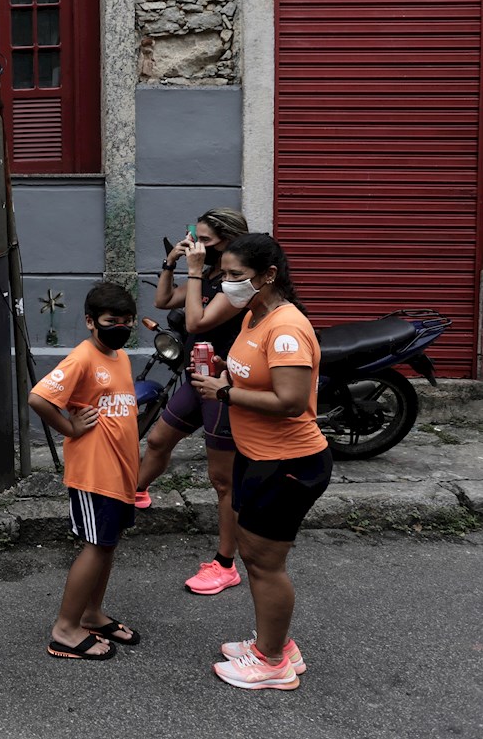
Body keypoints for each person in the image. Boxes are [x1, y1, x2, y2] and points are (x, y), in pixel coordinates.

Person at [193, 233, 329, 691]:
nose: (227, 284)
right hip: (258, 457)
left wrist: (225, 392)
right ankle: (279, 643)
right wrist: (226, 375)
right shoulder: (255, 312)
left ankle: (271, 662)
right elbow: (253, 368)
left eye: (236, 276)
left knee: (265, 563)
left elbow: (291, 401)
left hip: (288, 462)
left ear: (268, 275)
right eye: (224, 275)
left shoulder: (286, 328)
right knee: (253, 556)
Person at [138, 208, 249, 595]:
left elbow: (195, 323)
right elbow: (164, 300)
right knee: (157, 440)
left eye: (206, 240)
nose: (197, 246)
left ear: (229, 241)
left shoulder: (237, 284)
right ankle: (132, 494)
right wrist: (170, 261)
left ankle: (225, 563)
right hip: (195, 377)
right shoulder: (212, 275)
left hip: (223, 383)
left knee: (222, 481)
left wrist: (196, 269)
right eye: (195, 237)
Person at [28, 281, 140, 661]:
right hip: (95, 472)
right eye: (112, 320)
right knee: (95, 547)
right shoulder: (83, 357)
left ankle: (91, 614)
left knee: (107, 545)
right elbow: (39, 398)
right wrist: (70, 427)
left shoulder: (119, 356)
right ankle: (65, 629)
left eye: (127, 321)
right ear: (91, 322)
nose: (121, 327)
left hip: (120, 471)